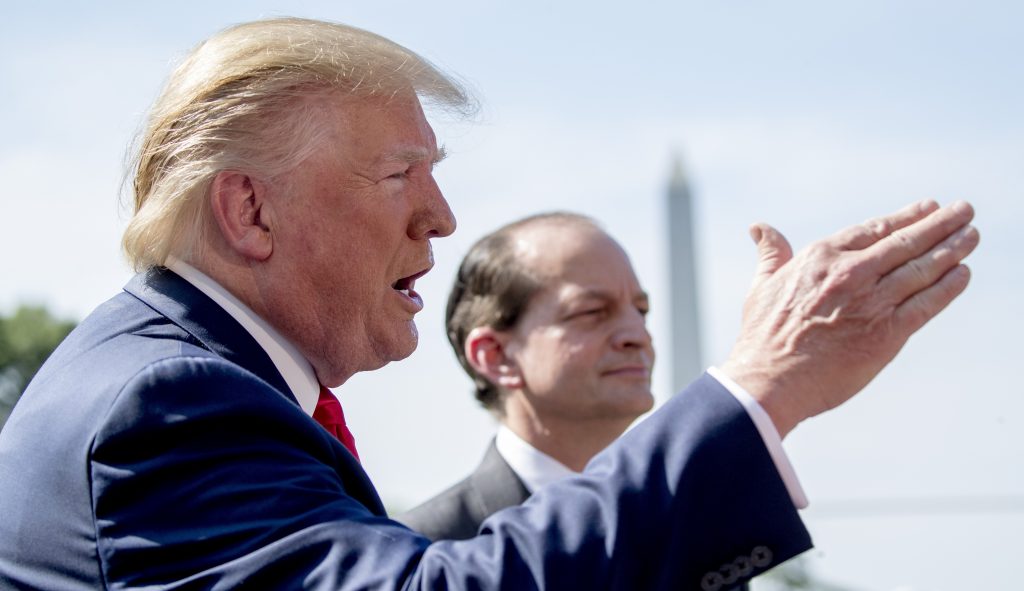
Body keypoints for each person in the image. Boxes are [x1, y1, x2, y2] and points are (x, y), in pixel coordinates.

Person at [0, 16, 978, 591]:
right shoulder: (166, 401)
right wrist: (760, 389)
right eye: (399, 174)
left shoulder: (178, 380)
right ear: (249, 208)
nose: (442, 216)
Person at [399, 213, 660, 540]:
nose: (639, 335)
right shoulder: (421, 551)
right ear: (496, 356)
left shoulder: (687, 525)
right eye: (592, 312)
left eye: (642, 311)